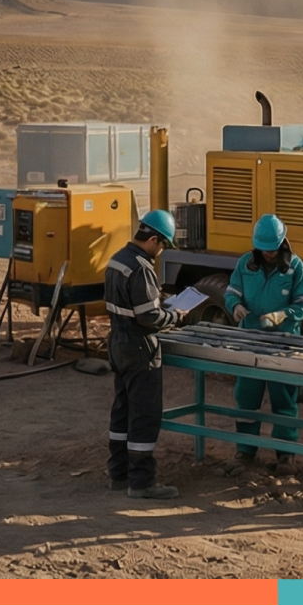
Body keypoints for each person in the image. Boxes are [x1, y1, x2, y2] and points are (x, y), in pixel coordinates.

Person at [222, 213, 303, 469]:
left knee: (283, 399)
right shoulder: (245, 264)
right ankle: (245, 451)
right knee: (246, 397)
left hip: (284, 344)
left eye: (272, 250)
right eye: (263, 250)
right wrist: (236, 306)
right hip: (249, 340)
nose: (268, 255)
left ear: (282, 243)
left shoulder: (296, 268)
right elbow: (232, 292)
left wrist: (284, 314)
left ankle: (285, 454)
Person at [105, 209, 183, 500]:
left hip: (117, 343)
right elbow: (148, 316)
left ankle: (118, 474)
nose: (161, 251)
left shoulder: (116, 260)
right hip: (140, 348)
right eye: (162, 245)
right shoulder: (140, 267)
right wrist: (174, 317)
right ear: (153, 239)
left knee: (122, 411)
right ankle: (142, 482)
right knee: (144, 415)